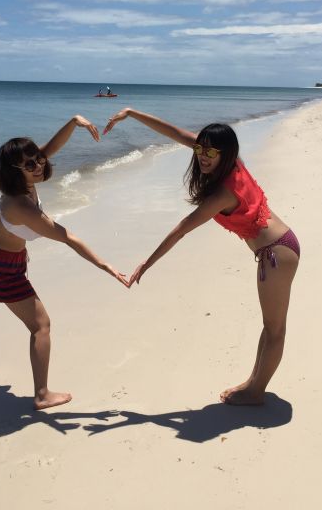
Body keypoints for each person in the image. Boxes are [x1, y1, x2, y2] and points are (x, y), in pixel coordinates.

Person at [103, 109, 300, 405]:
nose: (202, 156)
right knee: (270, 326)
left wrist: (147, 263)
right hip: (278, 248)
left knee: (274, 329)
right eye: (200, 149)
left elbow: (181, 230)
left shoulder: (222, 194)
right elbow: (177, 133)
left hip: (276, 255)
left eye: (210, 152)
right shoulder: (232, 163)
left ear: (225, 153)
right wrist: (131, 113)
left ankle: (256, 393)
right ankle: (253, 383)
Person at [0, 115, 127, 410]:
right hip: (3, 268)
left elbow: (49, 150)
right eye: (31, 163)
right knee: (40, 326)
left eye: (37, 159)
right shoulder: (21, 205)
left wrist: (74, 123)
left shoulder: (21, 178)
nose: (40, 165)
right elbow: (67, 237)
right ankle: (42, 394)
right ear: (15, 171)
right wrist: (105, 265)